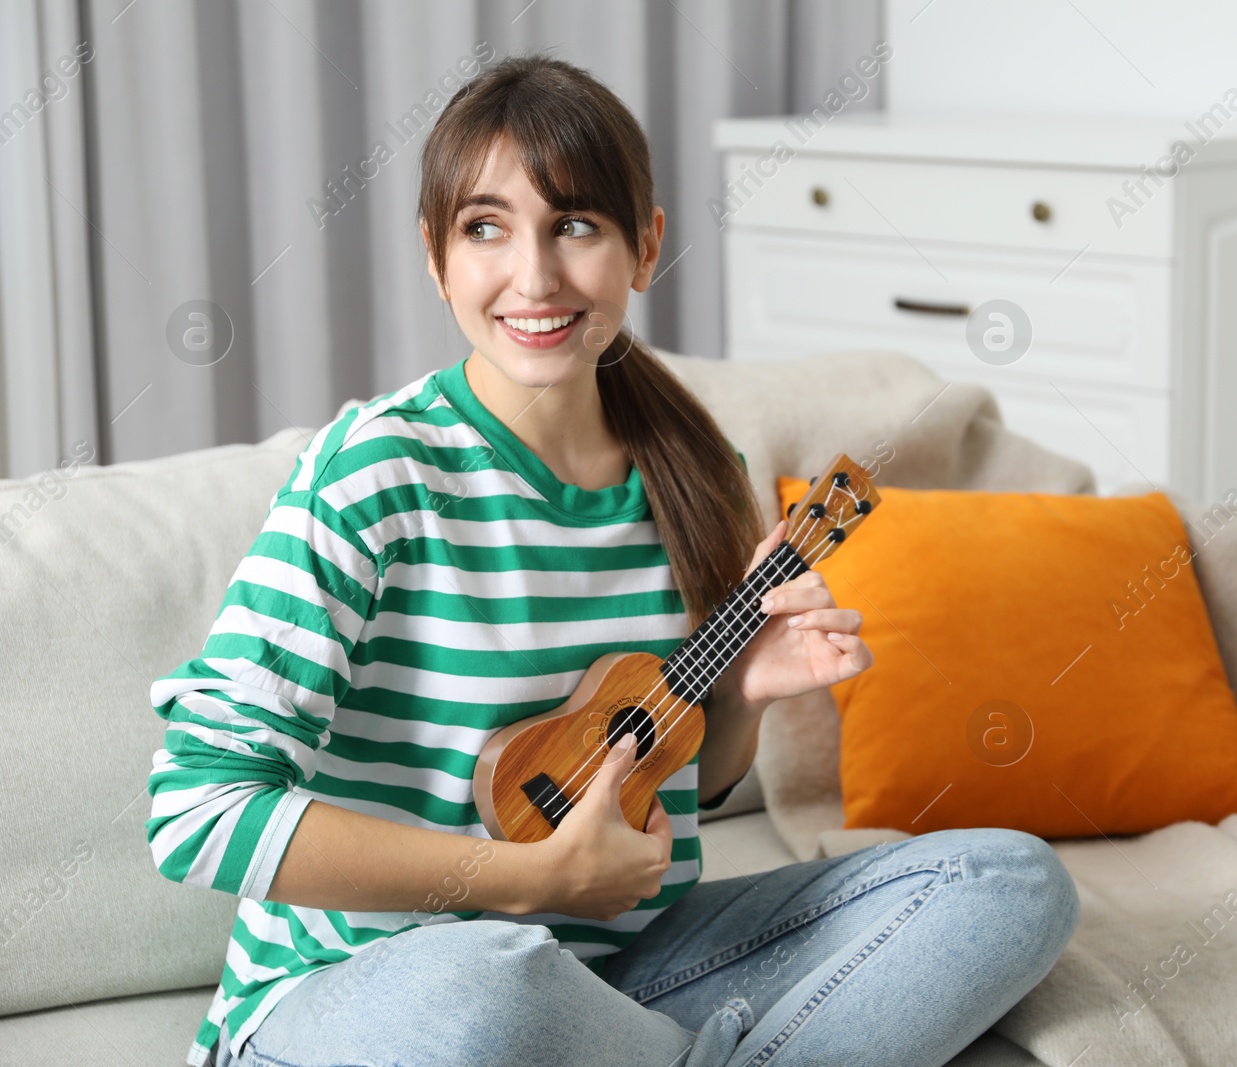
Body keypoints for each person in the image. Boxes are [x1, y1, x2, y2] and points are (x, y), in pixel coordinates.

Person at [145, 50, 1078, 1067]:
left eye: (576, 225)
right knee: (487, 986)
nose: (534, 277)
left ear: (645, 245)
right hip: (374, 989)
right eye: (486, 228)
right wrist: (526, 882)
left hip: (615, 968)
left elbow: (682, 775)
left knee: (1008, 884)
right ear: (435, 255)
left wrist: (745, 698)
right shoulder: (375, 471)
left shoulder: (697, 467)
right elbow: (197, 810)